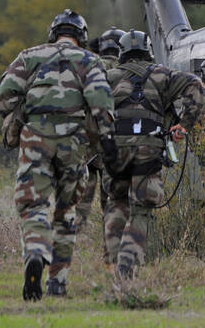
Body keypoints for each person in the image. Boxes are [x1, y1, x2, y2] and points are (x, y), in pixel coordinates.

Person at [0, 9, 114, 301]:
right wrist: (107, 138)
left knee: (33, 205)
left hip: (34, 138)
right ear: (81, 37)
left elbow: (5, 95)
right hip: (73, 142)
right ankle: (57, 284)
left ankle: (36, 253)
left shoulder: (29, 55)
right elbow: (101, 100)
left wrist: (21, 115)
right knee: (66, 212)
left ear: (53, 33)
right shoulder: (90, 61)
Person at [102, 29, 204, 278]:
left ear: (122, 52)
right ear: (148, 50)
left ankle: (115, 263)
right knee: (141, 208)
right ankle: (129, 261)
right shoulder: (163, 74)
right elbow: (195, 87)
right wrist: (184, 125)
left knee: (115, 202)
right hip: (149, 148)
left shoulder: (108, 76)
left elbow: (87, 102)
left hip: (115, 148)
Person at [75, 28, 125, 258]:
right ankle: (110, 252)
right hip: (115, 144)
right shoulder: (125, 70)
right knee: (112, 204)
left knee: (79, 202)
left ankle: (68, 247)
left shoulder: (90, 66)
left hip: (88, 143)